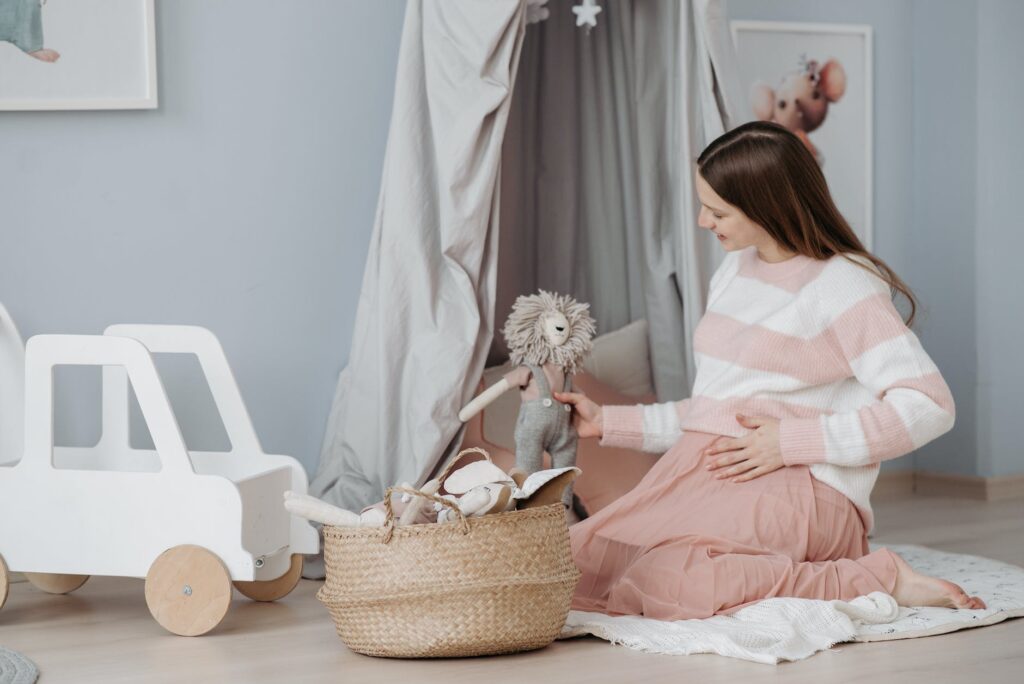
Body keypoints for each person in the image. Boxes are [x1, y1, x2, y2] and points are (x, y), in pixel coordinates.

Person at [554, 121, 985, 621]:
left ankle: (876, 576)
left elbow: (929, 406)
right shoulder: (734, 271)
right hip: (703, 477)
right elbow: (717, 411)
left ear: (766, 207)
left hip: (799, 488)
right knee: (569, 564)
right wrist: (607, 422)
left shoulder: (843, 284)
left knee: (669, 579)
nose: (702, 220)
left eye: (717, 211)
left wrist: (791, 442)